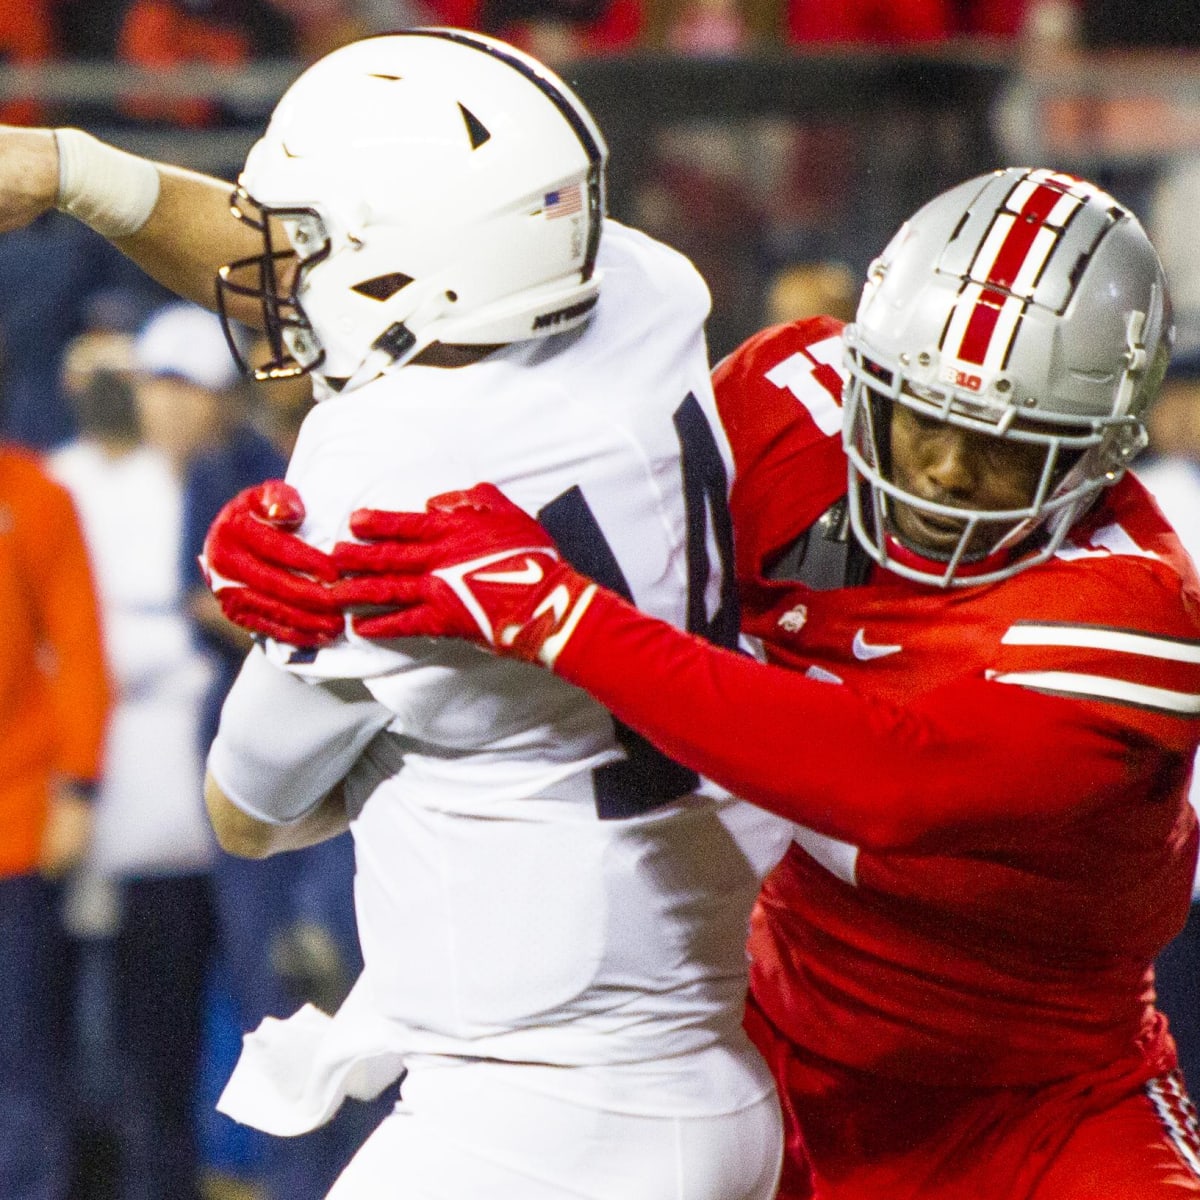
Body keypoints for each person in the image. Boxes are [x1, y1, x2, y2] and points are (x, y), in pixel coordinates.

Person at [209, 167, 1200, 1198]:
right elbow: (598, 495)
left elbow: (884, 779)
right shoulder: (793, 409)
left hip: (1033, 1120)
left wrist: (552, 610)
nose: (945, 470)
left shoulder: (1133, 611)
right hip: (759, 1055)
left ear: (1097, 456)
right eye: (920, 415)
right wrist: (334, 540)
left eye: (1003, 447)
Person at [0, 29, 790, 1200]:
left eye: (308, 240)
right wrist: (76, 169)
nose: (277, 264)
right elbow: (347, 261)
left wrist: (367, 714)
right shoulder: (639, 291)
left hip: (539, 1111)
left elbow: (247, 812)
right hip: (712, 1039)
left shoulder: (382, 471)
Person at [0, 423, 111, 1200]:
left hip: (15, 820)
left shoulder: (34, 494)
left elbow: (78, 644)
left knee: (23, 1052)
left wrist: (78, 784)